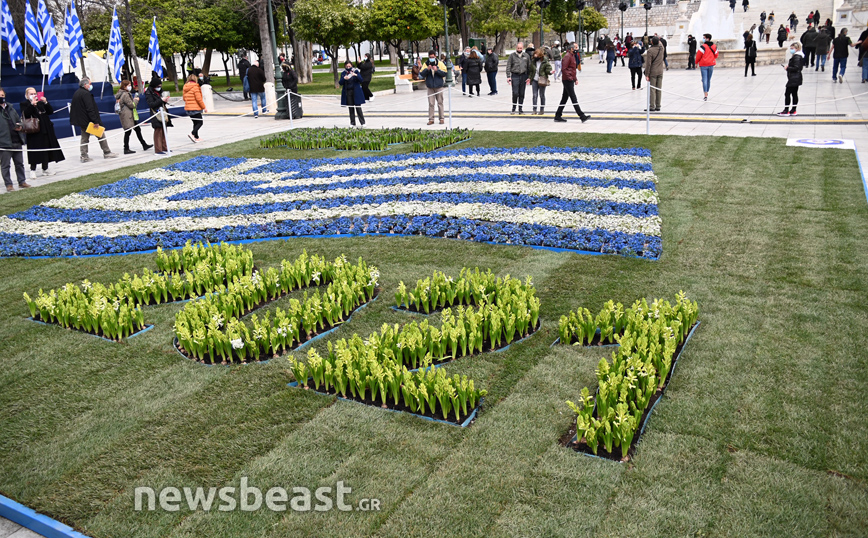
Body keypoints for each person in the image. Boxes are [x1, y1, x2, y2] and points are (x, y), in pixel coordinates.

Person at [70, 77, 117, 162]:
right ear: (85, 85)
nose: (91, 86)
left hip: (83, 120)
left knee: (84, 138)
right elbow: (90, 108)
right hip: (88, 121)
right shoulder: (85, 94)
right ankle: (106, 152)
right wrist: (95, 121)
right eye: (90, 84)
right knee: (100, 135)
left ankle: (84, 155)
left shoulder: (77, 93)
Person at [20, 87, 64, 177]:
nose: (33, 95)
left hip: (45, 129)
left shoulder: (40, 103)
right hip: (34, 131)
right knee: (35, 150)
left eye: (34, 93)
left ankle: (45, 168)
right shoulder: (24, 104)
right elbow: (26, 114)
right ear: (27, 95)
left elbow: (50, 111)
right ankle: (33, 169)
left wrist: (45, 102)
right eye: (31, 94)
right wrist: (32, 105)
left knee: (46, 149)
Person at [553, 42, 590, 123]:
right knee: (573, 97)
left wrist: (575, 79)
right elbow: (564, 69)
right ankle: (581, 116)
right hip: (567, 80)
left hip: (569, 79)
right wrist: (570, 78)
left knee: (564, 98)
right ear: (572, 49)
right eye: (576, 47)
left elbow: (572, 70)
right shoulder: (567, 56)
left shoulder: (572, 56)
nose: (577, 49)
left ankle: (558, 115)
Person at [0, 88, 28, 191]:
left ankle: (22, 181)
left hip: (16, 140)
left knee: (19, 164)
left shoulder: (10, 108)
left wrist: (20, 126)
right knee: (5, 166)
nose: (1, 98)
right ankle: (9, 184)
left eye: (2, 95)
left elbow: (18, 120)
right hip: (4, 143)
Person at [115, 80, 152, 155]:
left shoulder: (122, 93)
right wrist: (136, 100)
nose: (130, 86)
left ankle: (144, 144)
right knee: (128, 131)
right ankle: (126, 148)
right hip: (127, 115)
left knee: (137, 129)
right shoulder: (125, 94)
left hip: (130, 115)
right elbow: (131, 105)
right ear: (124, 86)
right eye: (128, 85)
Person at [144, 76, 172, 154]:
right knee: (158, 131)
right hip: (155, 113)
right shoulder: (149, 93)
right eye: (158, 86)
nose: (159, 87)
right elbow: (151, 104)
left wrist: (165, 100)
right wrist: (161, 100)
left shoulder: (160, 91)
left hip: (163, 111)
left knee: (164, 130)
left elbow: (162, 102)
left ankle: (165, 147)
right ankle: (158, 149)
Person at [777, 43, 804, 116]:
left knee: (787, 93)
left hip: (794, 78)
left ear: (797, 48)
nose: (791, 50)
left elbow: (796, 68)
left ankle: (786, 110)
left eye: (792, 48)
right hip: (796, 77)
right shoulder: (798, 56)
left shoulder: (797, 57)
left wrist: (787, 68)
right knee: (794, 94)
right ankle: (793, 110)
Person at [420, 50, 445, 125]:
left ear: (435, 56)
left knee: (440, 103)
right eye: (430, 57)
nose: (431, 58)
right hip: (430, 86)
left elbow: (444, 73)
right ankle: (431, 119)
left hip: (439, 86)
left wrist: (437, 70)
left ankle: (441, 118)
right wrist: (427, 69)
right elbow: (421, 74)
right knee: (431, 103)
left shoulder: (440, 63)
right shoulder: (426, 64)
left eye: (433, 57)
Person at [339, 60, 365, 126]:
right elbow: (340, 82)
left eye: (349, 66)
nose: (348, 67)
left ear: (351, 65)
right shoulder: (343, 73)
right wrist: (344, 78)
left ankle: (362, 122)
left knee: (358, 107)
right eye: (347, 66)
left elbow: (361, 80)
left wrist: (355, 75)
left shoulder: (355, 71)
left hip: (356, 91)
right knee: (351, 108)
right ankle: (352, 123)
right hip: (348, 92)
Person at [506, 42, 530, 115]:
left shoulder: (526, 56)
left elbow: (529, 66)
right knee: (515, 93)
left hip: (523, 75)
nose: (519, 49)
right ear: (516, 48)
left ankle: (520, 109)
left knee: (522, 93)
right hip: (515, 75)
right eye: (518, 48)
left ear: (523, 48)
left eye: (521, 48)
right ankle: (513, 108)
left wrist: (529, 77)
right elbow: (508, 66)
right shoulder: (512, 56)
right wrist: (508, 76)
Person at [183, 73, 206, 143]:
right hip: (195, 108)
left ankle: (196, 137)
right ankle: (192, 133)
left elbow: (184, 98)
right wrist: (204, 107)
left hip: (188, 108)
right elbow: (198, 99)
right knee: (200, 122)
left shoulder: (185, 87)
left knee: (195, 122)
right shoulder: (195, 87)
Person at [644, 36, 665, 111]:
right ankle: (658, 105)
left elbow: (648, 64)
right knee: (658, 89)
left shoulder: (650, 50)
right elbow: (661, 44)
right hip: (660, 71)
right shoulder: (661, 48)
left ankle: (652, 106)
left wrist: (647, 74)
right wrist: (658, 40)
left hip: (653, 72)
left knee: (652, 89)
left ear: (652, 42)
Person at [528, 48, 552, 115]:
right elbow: (531, 71)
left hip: (542, 80)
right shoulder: (533, 61)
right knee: (534, 95)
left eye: (537, 55)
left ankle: (542, 109)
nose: (535, 56)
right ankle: (534, 109)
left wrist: (550, 72)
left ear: (540, 55)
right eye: (535, 54)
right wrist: (529, 78)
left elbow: (548, 69)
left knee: (542, 95)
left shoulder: (545, 61)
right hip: (535, 80)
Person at [696, 34, 718, 101]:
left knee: (704, 79)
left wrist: (696, 62)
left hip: (703, 65)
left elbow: (698, 55)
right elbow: (716, 54)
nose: (703, 39)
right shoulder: (714, 46)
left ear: (707, 39)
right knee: (708, 79)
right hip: (711, 64)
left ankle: (705, 93)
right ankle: (707, 91)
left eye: (704, 38)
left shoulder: (703, 47)